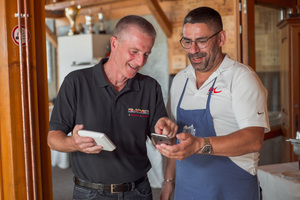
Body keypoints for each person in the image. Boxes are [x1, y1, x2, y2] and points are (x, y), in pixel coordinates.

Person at [48, 15, 177, 200]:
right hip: (89, 193)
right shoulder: (76, 82)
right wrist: (73, 143)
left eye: (146, 54)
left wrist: (165, 132)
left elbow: (161, 140)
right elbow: (53, 138)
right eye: (134, 51)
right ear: (114, 44)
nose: (140, 61)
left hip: (138, 192)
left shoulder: (150, 87)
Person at [155, 7, 270, 200]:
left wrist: (199, 144)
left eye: (201, 41)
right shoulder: (180, 80)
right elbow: (176, 138)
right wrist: (168, 182)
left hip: (232, 190)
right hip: (186, 191)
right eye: (188, 42)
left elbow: (254, 139)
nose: (193, 50)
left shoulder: (241, 78)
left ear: (221, 38)